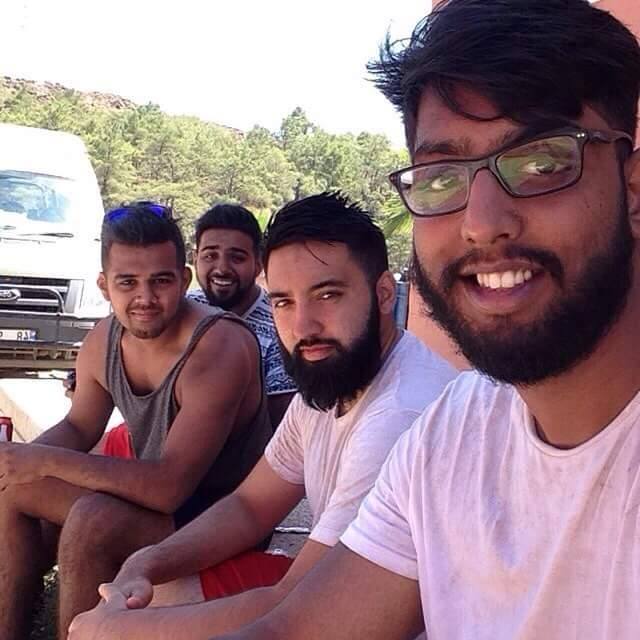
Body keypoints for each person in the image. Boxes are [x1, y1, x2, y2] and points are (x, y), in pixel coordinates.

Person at [175, 0, 640, 638]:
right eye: (441, 178)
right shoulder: (457, 428)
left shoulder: (408, 411)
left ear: (633, 190)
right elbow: (299, 628)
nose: (481, 223)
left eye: (541, 163)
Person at [67, 192, 457, 639]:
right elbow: (250, 507)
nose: (303, 326)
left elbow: (301, 609)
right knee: (158, 593)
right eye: (283, 301)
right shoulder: (331, 376)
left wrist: (121, 630)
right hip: (332, 604)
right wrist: (146, 563)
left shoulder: (401, 414)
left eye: (327, 294)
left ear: (384, 293)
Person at [0, 201, 272, 640]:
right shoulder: (104, 338)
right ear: (105, 285)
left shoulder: (218, 346)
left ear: (183, 279)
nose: (145, 298)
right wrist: (16, 461)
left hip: (219, 519)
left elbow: (169, 487)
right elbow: (79, 427)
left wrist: (45, 461)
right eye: (128, 282)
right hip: (149, 503)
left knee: (94, 520)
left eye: (161, 281)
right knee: (13, 487)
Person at [188, 203, 296, 426]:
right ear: (195, 258)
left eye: (237, 258)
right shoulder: (183, 310)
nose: (221, 269)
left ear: (258, 264)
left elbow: (280, 426)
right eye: (210, 256)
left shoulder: (280, 327)